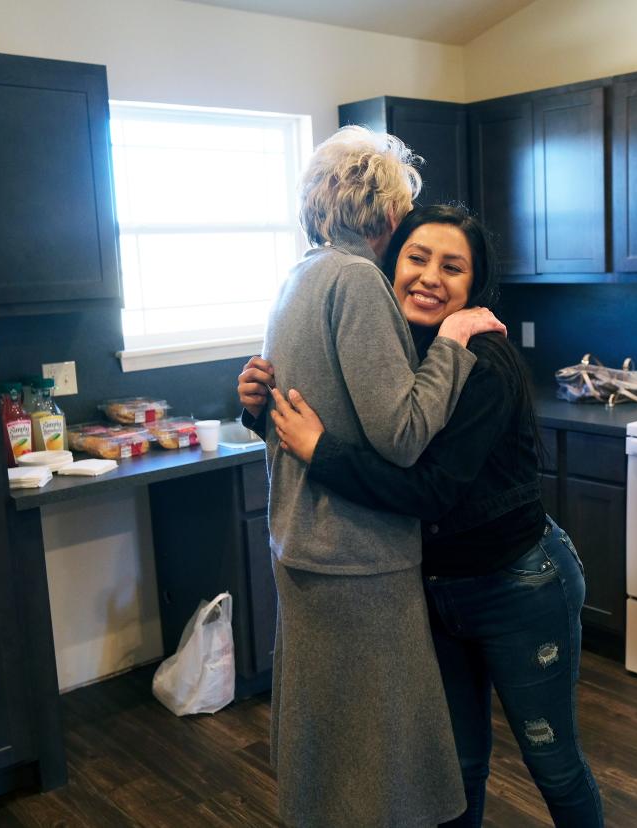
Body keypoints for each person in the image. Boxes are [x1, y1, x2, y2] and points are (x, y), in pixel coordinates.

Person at [240, 204, 604, 827]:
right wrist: (256, 405)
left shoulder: (482, 364)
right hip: (431, 593)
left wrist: (319, 452)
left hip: (518, 585)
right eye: (417, 257)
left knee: (553, 762)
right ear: (390, 264)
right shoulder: (386, 350)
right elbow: (328, 410)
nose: (430, 277)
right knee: (456, 768)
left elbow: (430, 489)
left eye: (452, 267)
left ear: (473, 286)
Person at [254, 128, 506, 827]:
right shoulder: (357, 279)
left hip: (302, 545)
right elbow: (399, 437)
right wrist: (452, 344)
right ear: (391, 215)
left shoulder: (298, 276)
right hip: (358, 558)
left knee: (325, 748)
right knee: (383, 762)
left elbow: (300, 414)